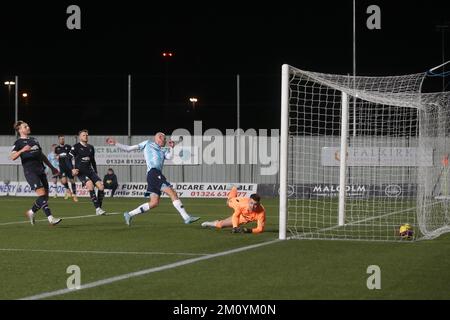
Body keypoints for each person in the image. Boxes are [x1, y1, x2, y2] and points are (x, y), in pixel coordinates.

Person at [106, 132, 200, 226]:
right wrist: (115, 143)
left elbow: (170, 157)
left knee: (154, 203)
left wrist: (172, 148)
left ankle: (129, 214)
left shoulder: (163, 151)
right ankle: (186, 217)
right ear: (159, 137)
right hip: (153, 173)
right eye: (164, 139)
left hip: (153, 175)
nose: (165, 141)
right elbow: (128, 148)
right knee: (172, 192)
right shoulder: (147, 143)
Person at [9, 121, 62, 226]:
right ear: (20, 130)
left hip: (41, 170)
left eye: (28, 125)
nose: (28, 127)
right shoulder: (18, 142)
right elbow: (12, 157)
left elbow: (41, 155)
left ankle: (31, 212)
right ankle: (51, 218)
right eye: (25, 126)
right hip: (30, 171)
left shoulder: (34, 140)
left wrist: (52, 167)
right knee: (42, 194)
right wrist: (22, 150)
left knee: (45, 197)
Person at [68, 129, 106, 215]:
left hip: (90, 171)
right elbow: (68, 158)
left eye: (86, 135)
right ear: (80, 137)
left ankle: (99, 208)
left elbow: (93, 161)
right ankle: (97, 209)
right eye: (84, 135)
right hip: (81, 172)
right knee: (90, 185)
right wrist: (72, 169)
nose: (86, 136)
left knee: (101, 187)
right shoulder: (76, 147)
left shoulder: (91, 147)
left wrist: (95, 171)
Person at [201, 186, 266, 234]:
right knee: (228, 201)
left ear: (259, 203)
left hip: (244, 218)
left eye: (255, 204)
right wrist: (235, 227)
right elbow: (236, 216)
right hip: (238, 203)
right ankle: (234, 188)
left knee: (220, 225)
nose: (253, 206)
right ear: (249, 201)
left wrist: (248, 230)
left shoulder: (261, 212)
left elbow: (260, 229)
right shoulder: (241, 205)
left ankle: (210, 223)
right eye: (251, 203)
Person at [55, 135, 78, 202]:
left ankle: (74, 194)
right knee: (64, 181)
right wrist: (57, 157)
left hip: (69, 167)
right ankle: (68, 190)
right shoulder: (57, 148)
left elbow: (72, 154)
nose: (62, 140)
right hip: (62, 167)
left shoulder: (68, 147)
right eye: (61, 139)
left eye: (63, 139)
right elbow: (56, 155)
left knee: (72, 181)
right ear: (59, 140)